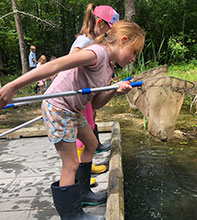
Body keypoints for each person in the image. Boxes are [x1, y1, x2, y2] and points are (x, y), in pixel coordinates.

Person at [0, 20, 145, 220]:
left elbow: (95, 104)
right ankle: (71, 215)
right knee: (70, 163)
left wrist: (114, 88)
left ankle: (84, 193)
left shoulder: (109, 67)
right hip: (58, 107)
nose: (133, 59)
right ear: (123, 40)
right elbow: (55, 65)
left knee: (92, 143)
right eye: (134, 52)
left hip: (73, 110)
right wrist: (12, 87)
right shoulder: (96, 53)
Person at [70, 4, 119, 187]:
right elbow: (73, 60)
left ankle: (87, 166)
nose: (108, 35)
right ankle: (81, 174)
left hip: (88, 95)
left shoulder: (91, 39)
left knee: (89, 127)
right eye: (108, 30)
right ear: (100, 23)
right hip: (79, 96)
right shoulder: (84, 41)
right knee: (81, 135)